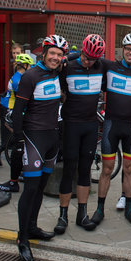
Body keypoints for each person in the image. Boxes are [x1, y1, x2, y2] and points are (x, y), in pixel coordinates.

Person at [11, 35, 69, 261]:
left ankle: (33, 227)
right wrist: (17, 140)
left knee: (42, 186)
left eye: (59, 54)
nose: (55, 57)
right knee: (31, 189)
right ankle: (22, 238)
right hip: (34, 138)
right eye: (52, 53)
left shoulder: (57, 73)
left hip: (52, 138)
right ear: (43, 53)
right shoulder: (30, 76)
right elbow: (18, 111)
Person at [91, 33, 131, 225]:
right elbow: (89, 56)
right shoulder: (110, 67)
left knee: (129, 168)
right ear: (122, 49)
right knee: (107, 169)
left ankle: (130, 207)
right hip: (111, 125)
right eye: (128, 49)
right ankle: (99, 209)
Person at [53, 34, 106, 234]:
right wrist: (72, 57)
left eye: (91, 59)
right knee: (69, 169)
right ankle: (62, 215)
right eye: (84, 56)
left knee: (85, 169)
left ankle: (82, 214)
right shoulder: (69, 65)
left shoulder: (102, 66)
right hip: (71, 125)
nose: (86, 61)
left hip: (90, 126)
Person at [0, 53, 34, 188]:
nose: (30, 68)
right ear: (25, 65)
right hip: (11, 111)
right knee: (18, 142)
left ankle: (18, 171)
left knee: (19, 143)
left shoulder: (19, 77)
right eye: (29, 65)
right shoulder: (19, 80)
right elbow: (21, 101)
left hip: (11, 110)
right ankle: (14, 178)